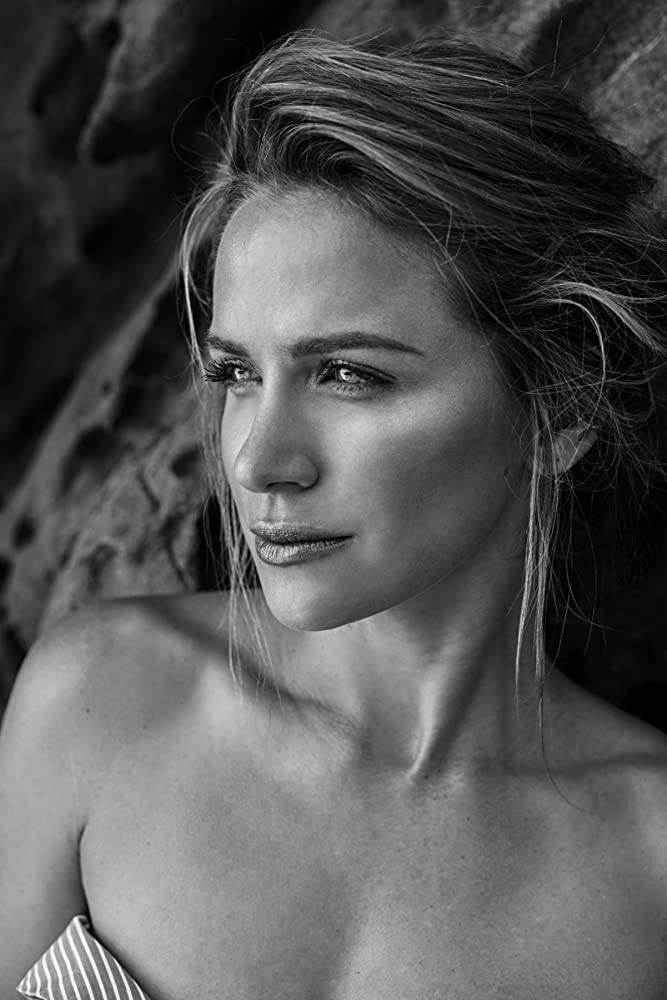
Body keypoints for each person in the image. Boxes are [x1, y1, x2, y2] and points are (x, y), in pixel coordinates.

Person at [2, 26, 667, 1000]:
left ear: (559, 406)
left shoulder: (649, 871)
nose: (255, 460)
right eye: (236, 373)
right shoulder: (100, 701)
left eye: (348, 374)